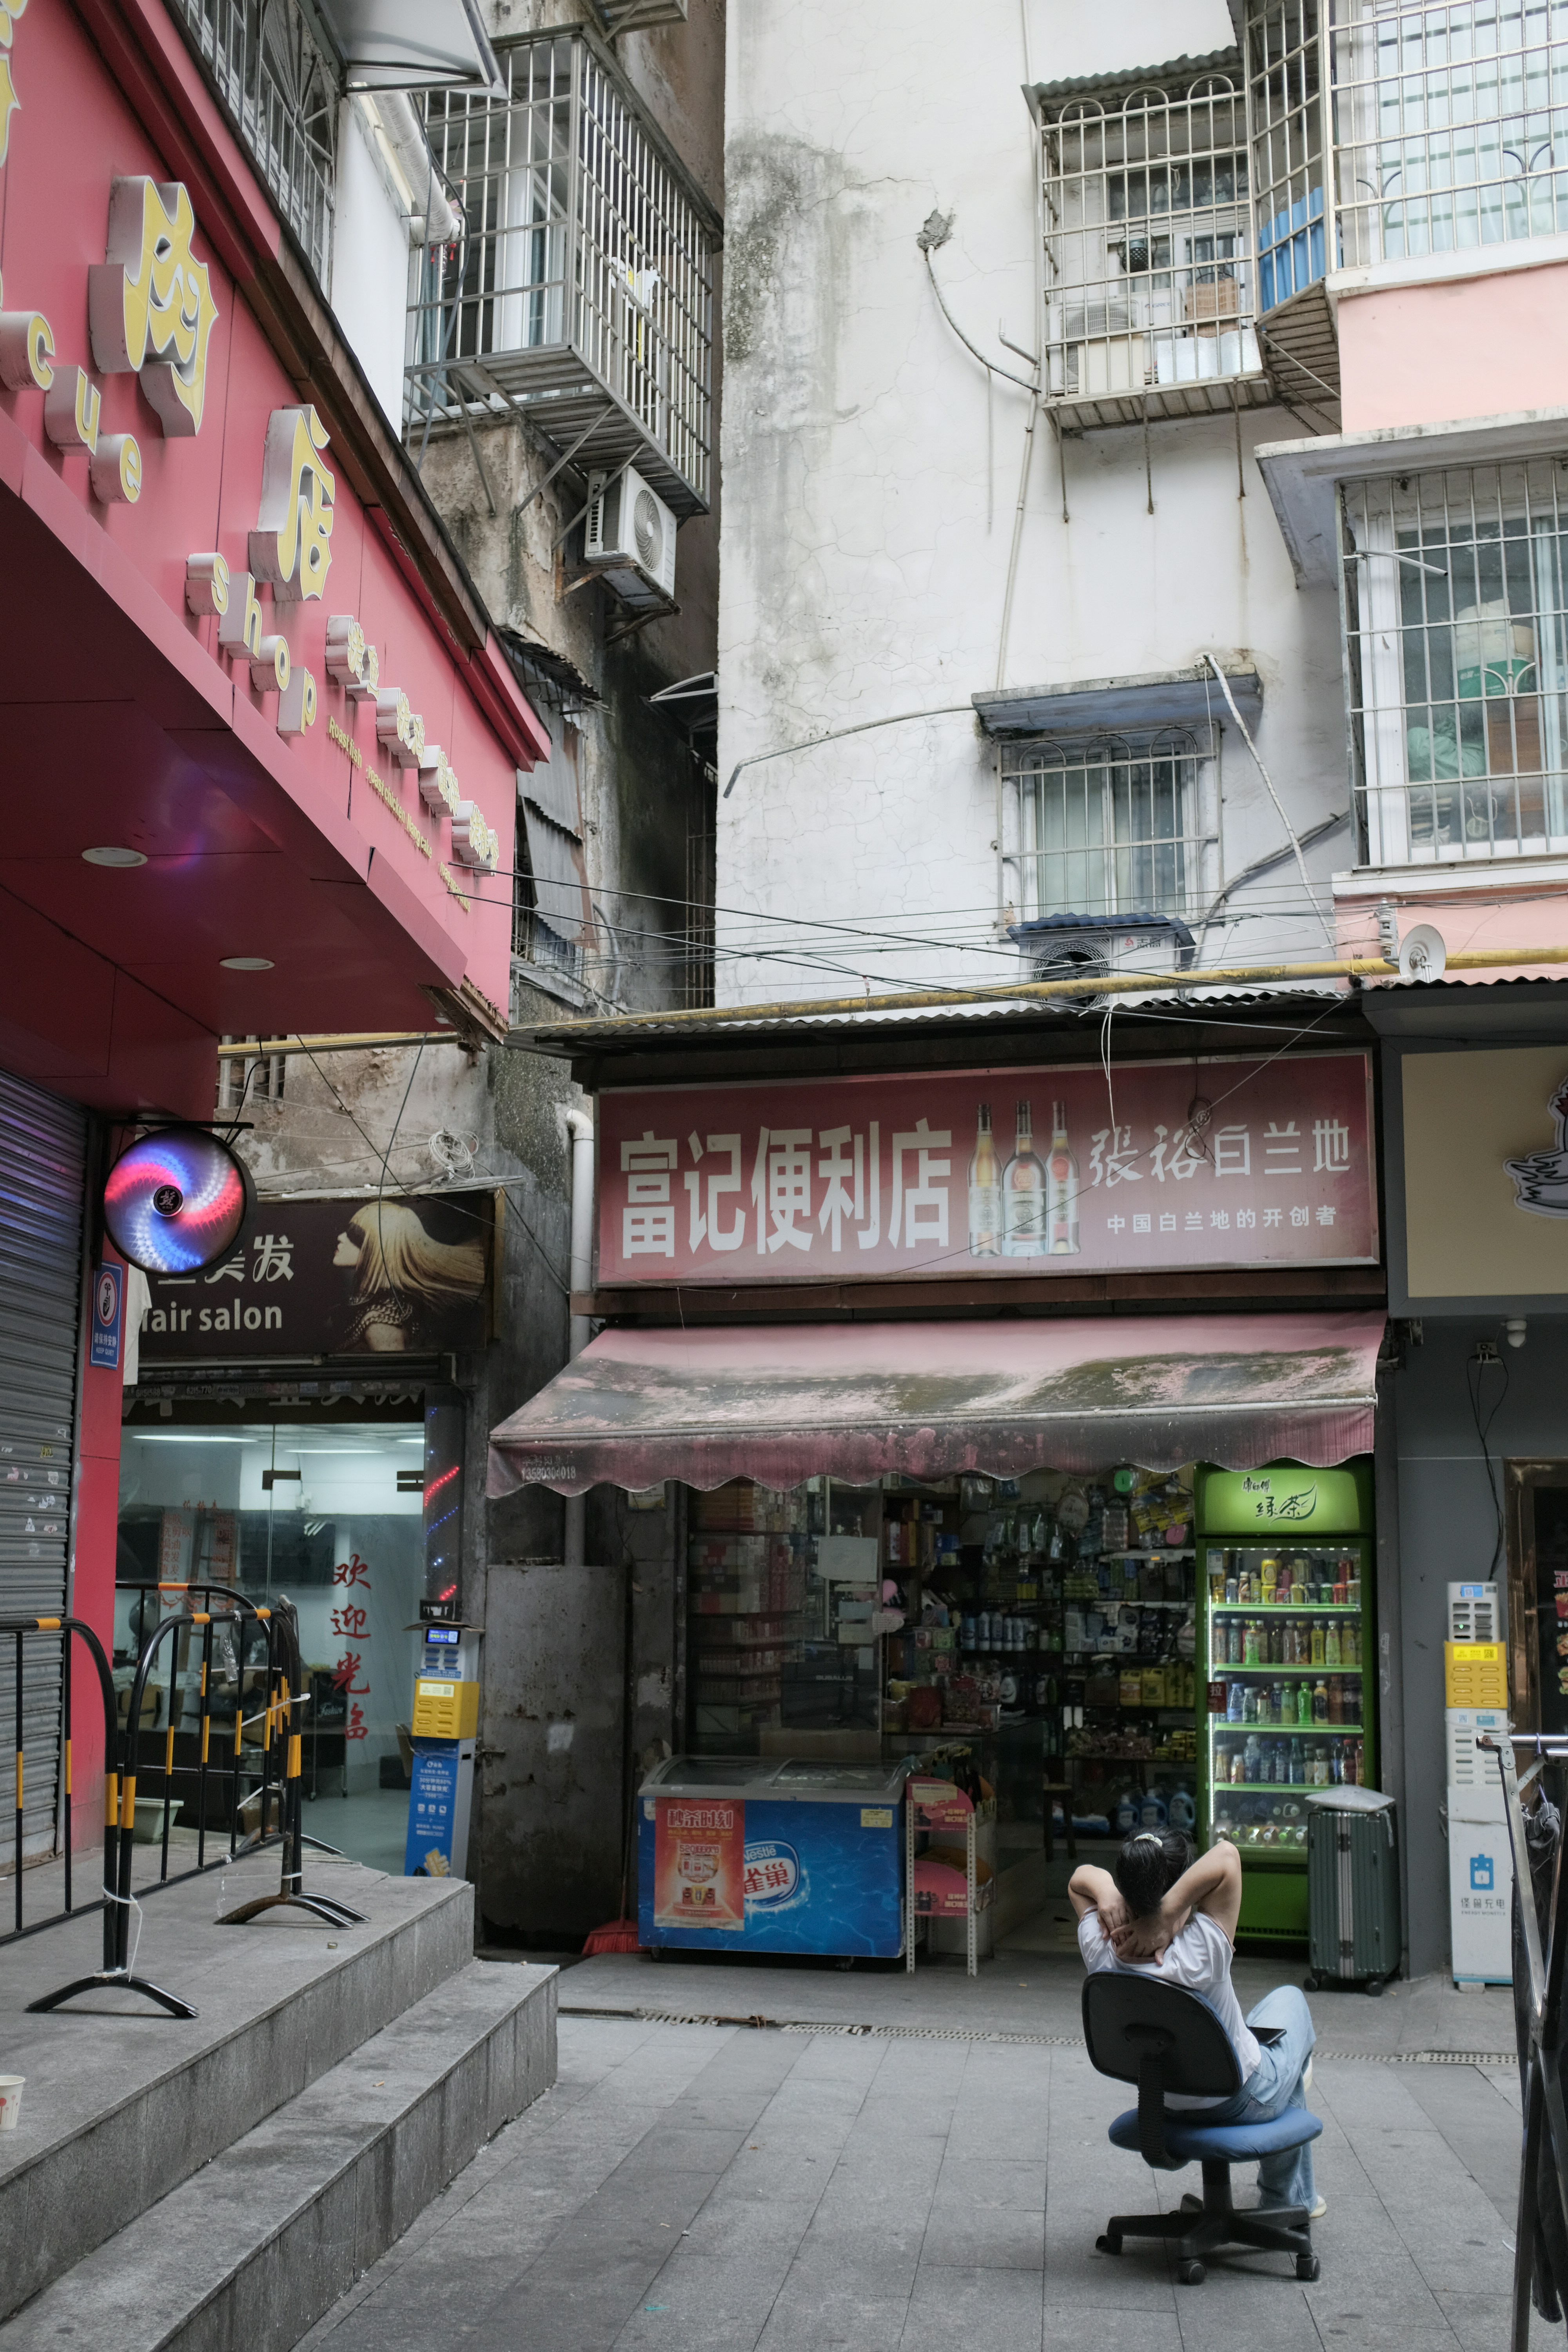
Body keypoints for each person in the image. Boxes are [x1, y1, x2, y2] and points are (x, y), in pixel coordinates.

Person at [1069, 1829, 1323, 2219]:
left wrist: (1108, 1894)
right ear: (1181, 1889)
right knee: (1290, 2002)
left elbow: (1079, 1880)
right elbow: (1226, 1857)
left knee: (1256, 2032)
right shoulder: (1200, 1951)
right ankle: (1288, 2200)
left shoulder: (1103, 1948)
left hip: (1161, 2100)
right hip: (1238, 2099)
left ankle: (1287, 2078)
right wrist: (1170, 1913)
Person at [332, 1201, 486, 1352]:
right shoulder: (381, 1308)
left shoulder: (380, 1327)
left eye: (354, 1236)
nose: (341, 1237)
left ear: (378, 1252)